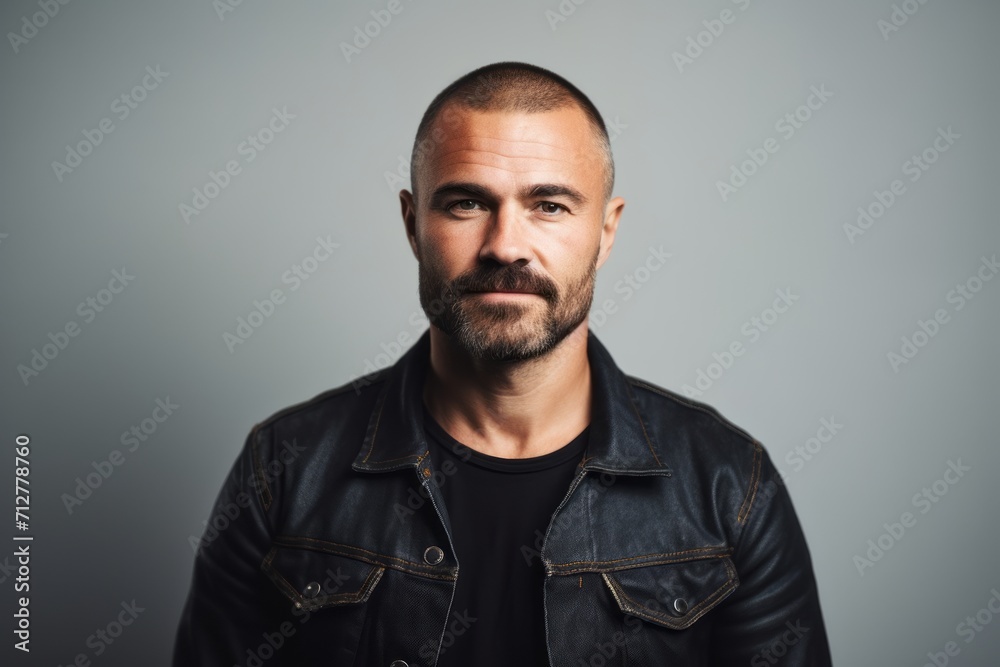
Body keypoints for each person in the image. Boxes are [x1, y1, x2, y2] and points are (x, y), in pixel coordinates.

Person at [173, 61, 832, 666]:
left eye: (549, 205)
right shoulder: (286, 468)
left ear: (605, 231)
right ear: (411, 224)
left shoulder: (728, 485)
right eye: (467, 202)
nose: (505, 245)